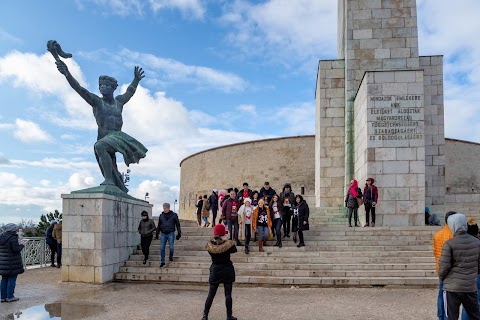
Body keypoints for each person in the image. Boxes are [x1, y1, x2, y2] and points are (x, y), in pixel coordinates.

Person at [55, 58, 147, 193]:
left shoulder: (119, 102)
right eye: (100, 86)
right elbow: (79, 88)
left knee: (100, 146)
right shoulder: (96, 101)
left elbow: (130, 92)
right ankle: (117, 184)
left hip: (117, 136)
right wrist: (67, 73)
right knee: (111, 164)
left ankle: (109, 180)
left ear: (113, 88)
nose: (102, 87)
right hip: (104, 136)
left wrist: (136, 80)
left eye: (106, 85)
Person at [438, 213, 480, 320]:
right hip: (470, 285)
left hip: (452, 288)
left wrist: (443, 278)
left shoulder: (449, 244)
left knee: (452, 317)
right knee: (474, 316)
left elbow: (443, 267)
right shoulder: (477, 242)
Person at [201, 224, 237, 320]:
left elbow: (215, 247)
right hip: (227, 269)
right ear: (223, 233)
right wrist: (228, 238)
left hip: (215, 270)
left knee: (211, 294)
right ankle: (229, 316)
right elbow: (234, 249)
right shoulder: (228, 245)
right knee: (228, 294)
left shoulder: (210, 246)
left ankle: (205, 315)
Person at [433, 211, 455, 320]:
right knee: (449, 296)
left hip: (440, 267)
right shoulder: (452, 235)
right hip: (450, 270)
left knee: (441, 293)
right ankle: (447, 317)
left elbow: (435, 251)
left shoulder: (437, 234)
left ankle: (440, 315)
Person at [0, 223, 25, 303]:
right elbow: (16, 249)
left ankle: (3, 297)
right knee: (12, 279)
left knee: (4, 279)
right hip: (12, 262)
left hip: (3, 262)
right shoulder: (13, 238)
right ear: (13, 229)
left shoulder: (1, 236)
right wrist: (22, 245)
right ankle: (10, 296)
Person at [155, 203, 181, 268]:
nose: (164, 209)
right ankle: (162, 262)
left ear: (169, 208)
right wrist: (157, 233)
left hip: (171, 233)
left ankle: (171, 256)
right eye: (163, 208)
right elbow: (159, 225)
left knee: (171, 247)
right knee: (162, 248)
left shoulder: (174, 215)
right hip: (163, 233)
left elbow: (177, 224)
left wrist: (179, 232)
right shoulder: (161, 215)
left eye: (165, 208)